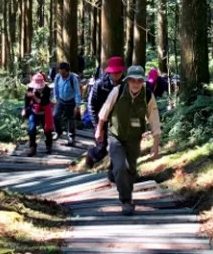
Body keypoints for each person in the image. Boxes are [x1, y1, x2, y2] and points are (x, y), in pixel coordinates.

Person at [95, 65, 161, 216]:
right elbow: (104, 112)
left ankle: (127, 193)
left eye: (139, 81)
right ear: (128, 80)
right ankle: (126, 200)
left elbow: (155, 121)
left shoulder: (148, 96)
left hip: (134, 138)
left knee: (131, 169)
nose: (136, 84)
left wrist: (155, 146)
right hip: (115, 136)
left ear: (143, 82)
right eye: (133, 81)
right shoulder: (117, 91)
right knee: (119, 167)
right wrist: (99, 129)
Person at [84, 56, 126, 169]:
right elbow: (91, 105)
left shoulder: (126, 84)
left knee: (118, 147)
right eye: (114, 72)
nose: (116, 75)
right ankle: (91, 155)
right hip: (100, 120)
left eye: (119, 72)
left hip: (117, 121)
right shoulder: (100, 84)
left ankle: (114, 173)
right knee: (101, 149)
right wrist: (98, 127)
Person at [22, 72, 54, 156]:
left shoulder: (47, 89)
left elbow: (43, 102)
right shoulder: (31, 88)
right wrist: (25, 109)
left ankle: (48, 145)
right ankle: (32, 148)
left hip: (44, 112)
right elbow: (26, 98)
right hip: (34, 111)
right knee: (31, 129)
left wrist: (34, 96)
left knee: (47, 130)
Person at [52, 61, 82, 146]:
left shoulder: (73, 78)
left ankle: (71, 137)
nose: (62, 75)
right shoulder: (58, 77)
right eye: (60, 73)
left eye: (64, 74)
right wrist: (56, 98)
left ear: (68, 71)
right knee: (55, 115)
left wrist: (77, 105)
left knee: (71, 119)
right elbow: (56, 88)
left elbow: (77, 92)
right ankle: (58, 132)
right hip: (61, 100)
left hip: (70, 101)